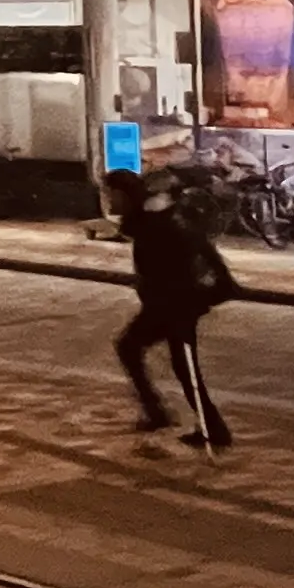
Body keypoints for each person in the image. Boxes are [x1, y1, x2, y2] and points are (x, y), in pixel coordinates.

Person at [106, 168, 235, 450]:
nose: (109, 200)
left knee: (163, 358)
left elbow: (196, 243)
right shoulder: (143, 220)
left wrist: (218, 283)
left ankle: (196, 424)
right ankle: (200, 424)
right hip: (167, 302)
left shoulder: (157, 220)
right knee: (175, 363)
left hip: (175, 302)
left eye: (112, 194)